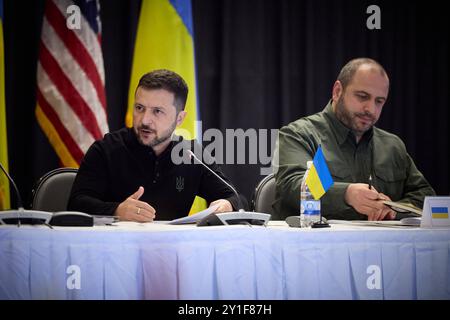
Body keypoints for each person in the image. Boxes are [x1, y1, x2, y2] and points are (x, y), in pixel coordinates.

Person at [68, 69, 244, 222]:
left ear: (180, 118)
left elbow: (233, 196)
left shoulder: (191, 154)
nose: (144, 120)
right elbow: (76, 203)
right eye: (139, 108)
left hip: (172, 252)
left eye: (157, 111)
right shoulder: (105, 149)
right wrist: (116, 210)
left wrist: (226, 204)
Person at [274, 58, 435, 221]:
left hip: (383, 244)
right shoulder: (298, 134)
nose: (370, 109)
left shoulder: (393, 146)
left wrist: (393, 210)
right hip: (315, 244)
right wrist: (347, 194)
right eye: (362, 97)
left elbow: (425, 196)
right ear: (337, 91)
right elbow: (291, 188)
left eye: (379, 101)